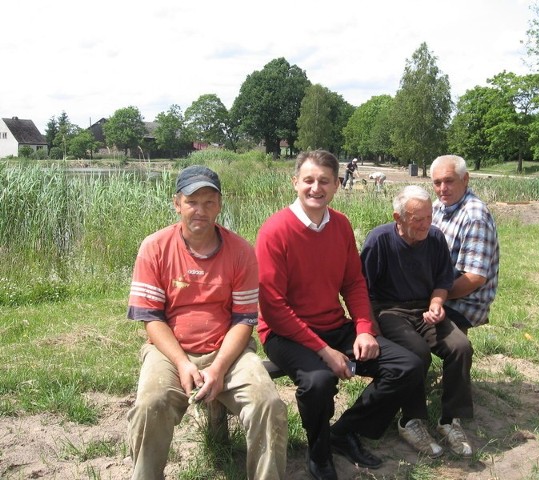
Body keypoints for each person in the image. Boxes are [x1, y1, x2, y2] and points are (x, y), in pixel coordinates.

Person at [256, 150, 427, 480]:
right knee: (319, 381)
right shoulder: (274, 231)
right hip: (285, 333)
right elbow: (274, 308)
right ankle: (319, 453)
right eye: (308, 180)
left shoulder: (341, 224)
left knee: (408, 366)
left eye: (324, 181)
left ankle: (345, 430)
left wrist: (363, 328)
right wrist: (325, 352)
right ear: (295, 182)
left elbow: (353, 282)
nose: (315, 188)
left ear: (337, 184)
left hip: (334, 325)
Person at [126, 165, 287, 480]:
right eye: (192, 201)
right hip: (169, 350)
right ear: (177, 204)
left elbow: (243, 320)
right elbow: (151, 318)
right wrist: (183, 364)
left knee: (268, 404)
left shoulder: (241, 251)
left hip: (228, 348)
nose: (201, 210)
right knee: (150, 404)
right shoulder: (154, 247)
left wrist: (218, 368)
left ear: (220, 205)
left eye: (209, 202)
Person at [361, 185, 474, 458]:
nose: (426, 225)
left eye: (429, 217)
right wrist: (368, 328)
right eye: (417, 219)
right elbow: (360, 288)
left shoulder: (434, 238)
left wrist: (437, 304)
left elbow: (442, 281)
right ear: (398, 218)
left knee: (461, 346)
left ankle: (450, 419)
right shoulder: (379, 240)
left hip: (424, 308)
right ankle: (411, 420)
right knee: (417, 353)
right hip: (389, 310)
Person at [429, 154, 500, 333]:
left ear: (465, 179)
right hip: (439, 293)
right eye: (437, 183)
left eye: (449, 181)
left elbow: (474, 278)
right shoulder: (437, 207)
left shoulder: (474, 216)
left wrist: (434, 297)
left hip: (463, 303)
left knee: (406, 332)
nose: (443, 188)